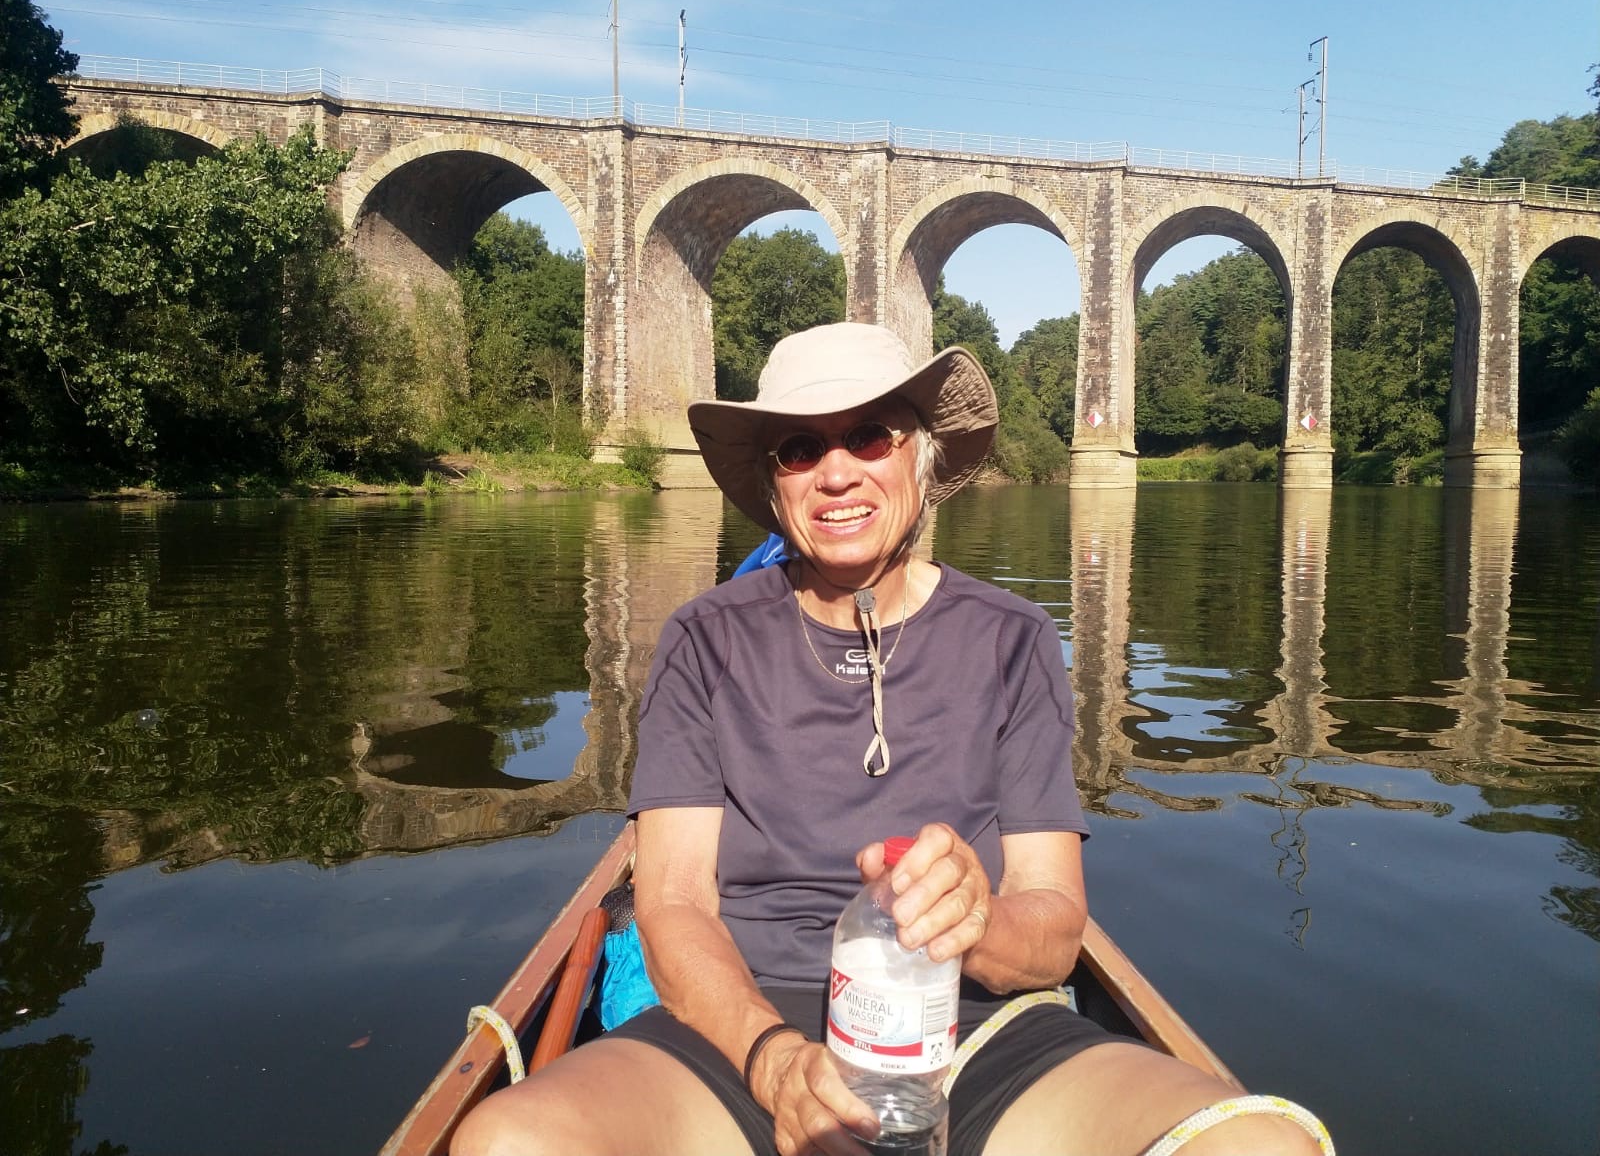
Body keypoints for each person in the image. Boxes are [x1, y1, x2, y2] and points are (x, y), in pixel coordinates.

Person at [453, 323, 1330, 1156]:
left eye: (870, 436)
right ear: (774, 484)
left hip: (975, 1027)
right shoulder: (704, 638)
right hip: (745, 1021)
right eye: (800, 448)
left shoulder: (1014, 638)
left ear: (922, 457)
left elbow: (1056, 925)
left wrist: (979, 920)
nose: (836, 473)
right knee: (506, 1142)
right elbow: (675, 902)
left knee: (1263, 1146)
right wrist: (772, 1061)